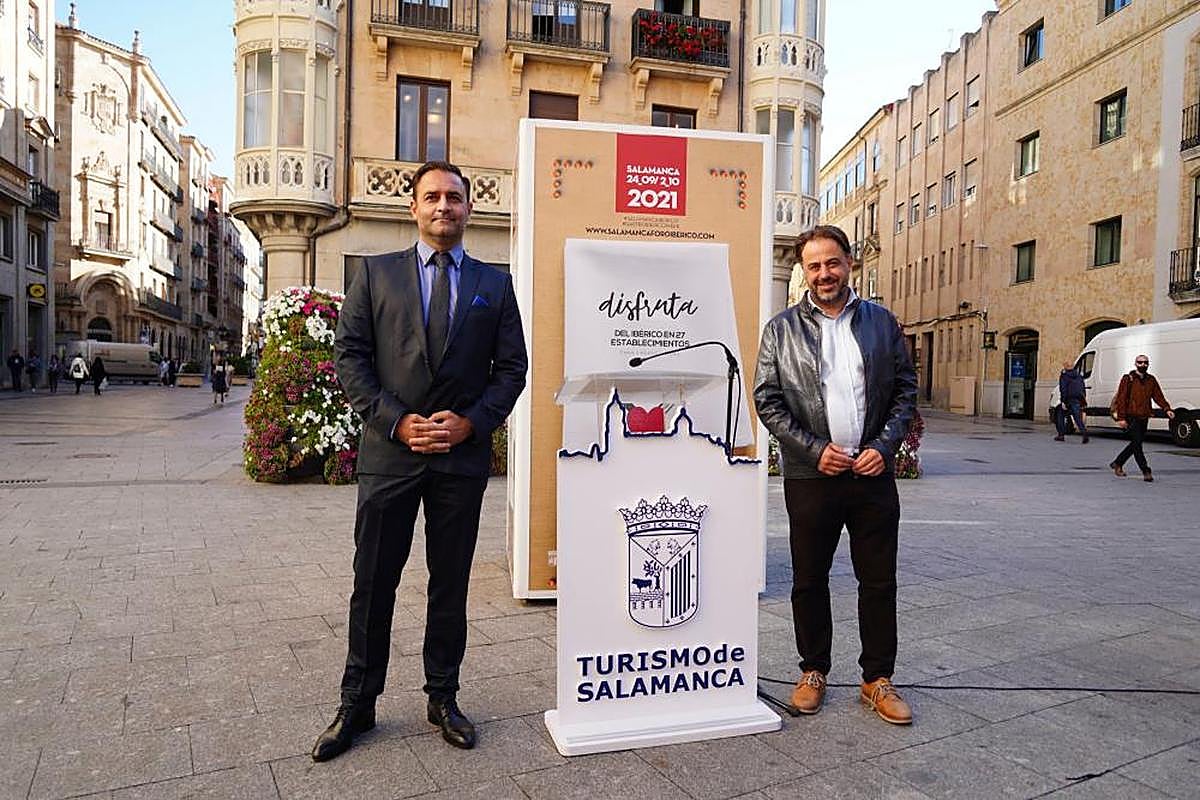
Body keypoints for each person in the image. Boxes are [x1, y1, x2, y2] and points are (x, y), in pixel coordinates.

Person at [312, 160, 527, 761]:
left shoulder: (494, 284)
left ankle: (443, 697)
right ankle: (357, 703)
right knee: (373, 583)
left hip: (459, 461)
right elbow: (350, 358)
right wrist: (396, 421)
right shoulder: (376, 276)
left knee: (449, 585)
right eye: (432, 197)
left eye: (455, 198)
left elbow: (511, 370)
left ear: (469, 209)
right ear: (413, 207)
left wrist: (472, 423)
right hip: (390, 456)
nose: (444, 207)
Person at [754, 224, 918, 725]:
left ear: (849, 263)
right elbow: (768, 399)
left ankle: (876, 679)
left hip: (871, 476)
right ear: (804, 272)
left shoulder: (881, 323)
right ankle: (813, 671)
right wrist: (811, 449)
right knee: (808, 580)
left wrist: (884, 447)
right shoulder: (781, 330)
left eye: (832, 262)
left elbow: (906, 391)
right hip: (812, 476)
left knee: (878, 580)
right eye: (813, 265)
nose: (824, 273)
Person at [1109, 354, 1173, 482]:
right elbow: (1121, 399)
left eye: (1145, 362)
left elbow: (1158, 396)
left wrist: (1167, 409)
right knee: (1137, 445)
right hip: (1131, 416)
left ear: (1148, 364)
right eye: (1140, 362)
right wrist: (1121, 418)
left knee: (1135, 443)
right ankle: (1146, 471)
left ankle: (1118, 462)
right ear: (1135, 364)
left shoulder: (1151, 380)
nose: (1143, 365)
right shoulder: (1128, 379)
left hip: (1144, 416)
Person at [1054, 360, 1088, 443]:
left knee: (1060, 414)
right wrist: (1082, 399)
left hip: (1068, 399)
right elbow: (1083, 388)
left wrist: (1063, 401)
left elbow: (1063, 389)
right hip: (1077, 399)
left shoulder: (1065, 375)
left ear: (1065, 366)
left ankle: (1061, 435)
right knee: (1077, 418)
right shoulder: (1078, 375)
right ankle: (1084, 434)